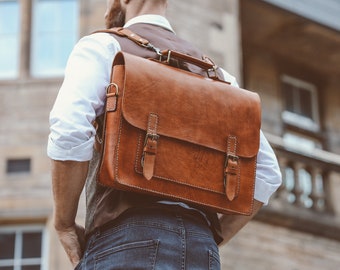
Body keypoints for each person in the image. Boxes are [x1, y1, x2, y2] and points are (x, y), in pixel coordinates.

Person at [47, 0, 282, 269]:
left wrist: (64, 223)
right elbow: (267, 172)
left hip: (126, 237)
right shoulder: (221, 78)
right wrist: (209, 238)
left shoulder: (104, 46)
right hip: (201, 248)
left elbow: (69, 128)